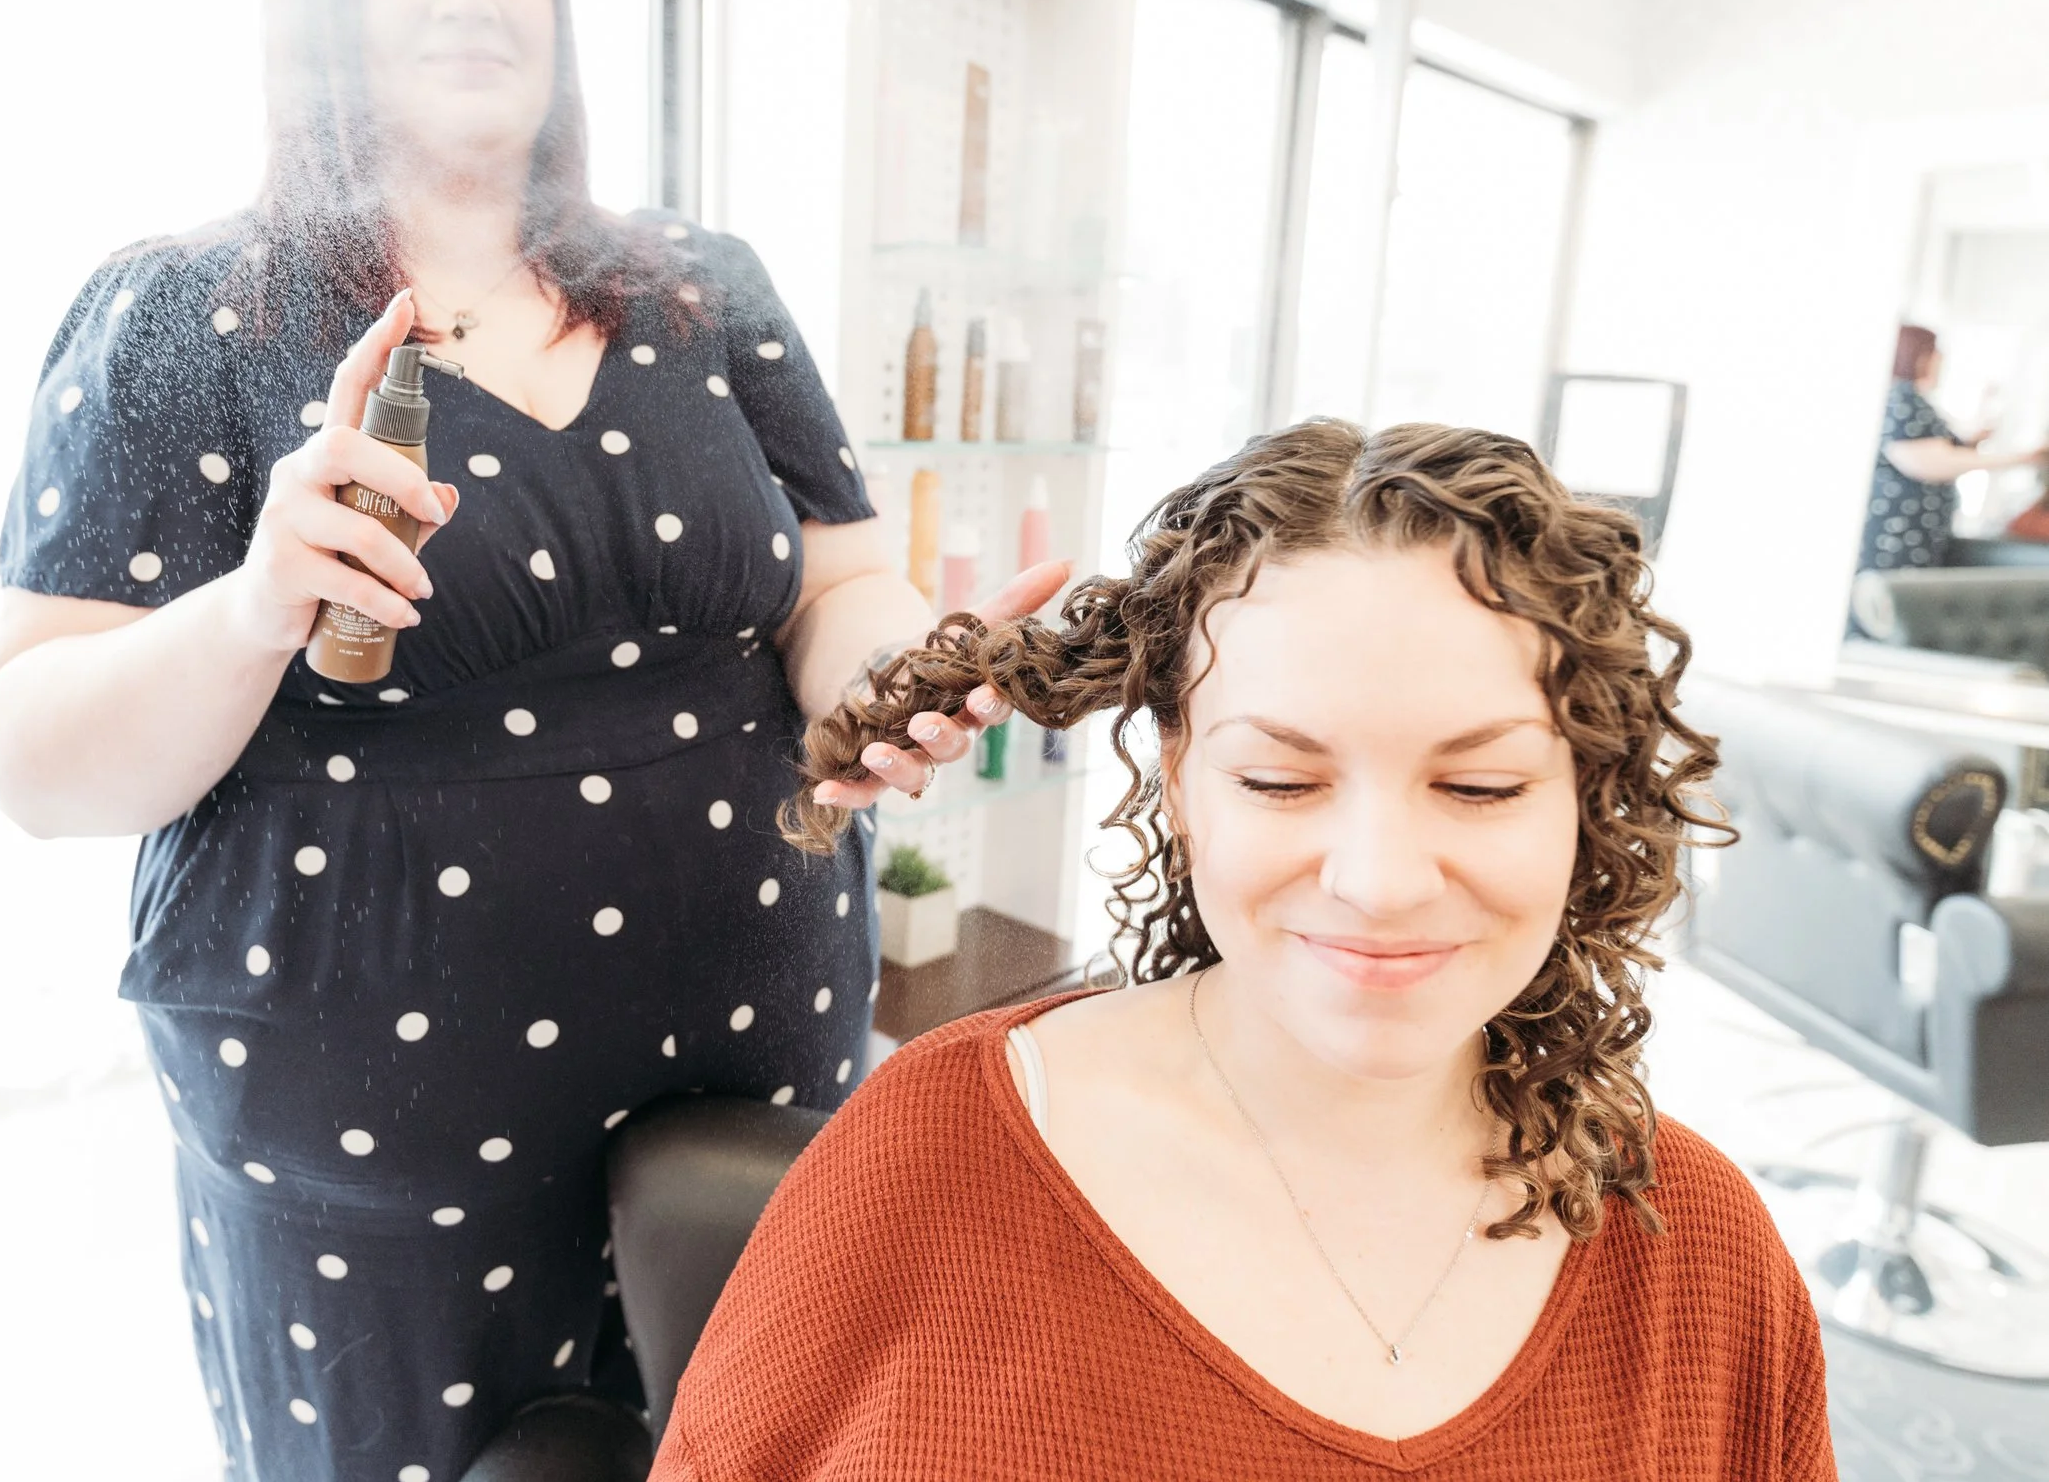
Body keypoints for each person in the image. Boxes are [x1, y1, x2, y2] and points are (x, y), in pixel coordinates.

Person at [0, 0, 1051, 1475]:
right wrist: (258, 603)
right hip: (380, 1147)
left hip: (748, 1062)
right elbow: (35, 758)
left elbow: (838, 584)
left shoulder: (699, 290)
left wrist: (895, 683)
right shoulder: (188, 316)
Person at [658, 421, 1839, 1480]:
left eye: (1480, 786)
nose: (1378, 881)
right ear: (1178, 779)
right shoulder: (929, 1155)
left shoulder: (1703, 1263)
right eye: (1280, 780)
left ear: (1586, 796)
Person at [1859, 322, 2043, 576]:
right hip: (1896, 536)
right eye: (1935, 354)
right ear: (1919, 356)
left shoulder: (1915, 401)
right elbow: (1932, 462)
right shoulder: (1900, 398)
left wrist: (1979, 428)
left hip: (1919, 534)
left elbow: (1947, 449)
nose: (1940, 361)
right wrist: (2023, 458)